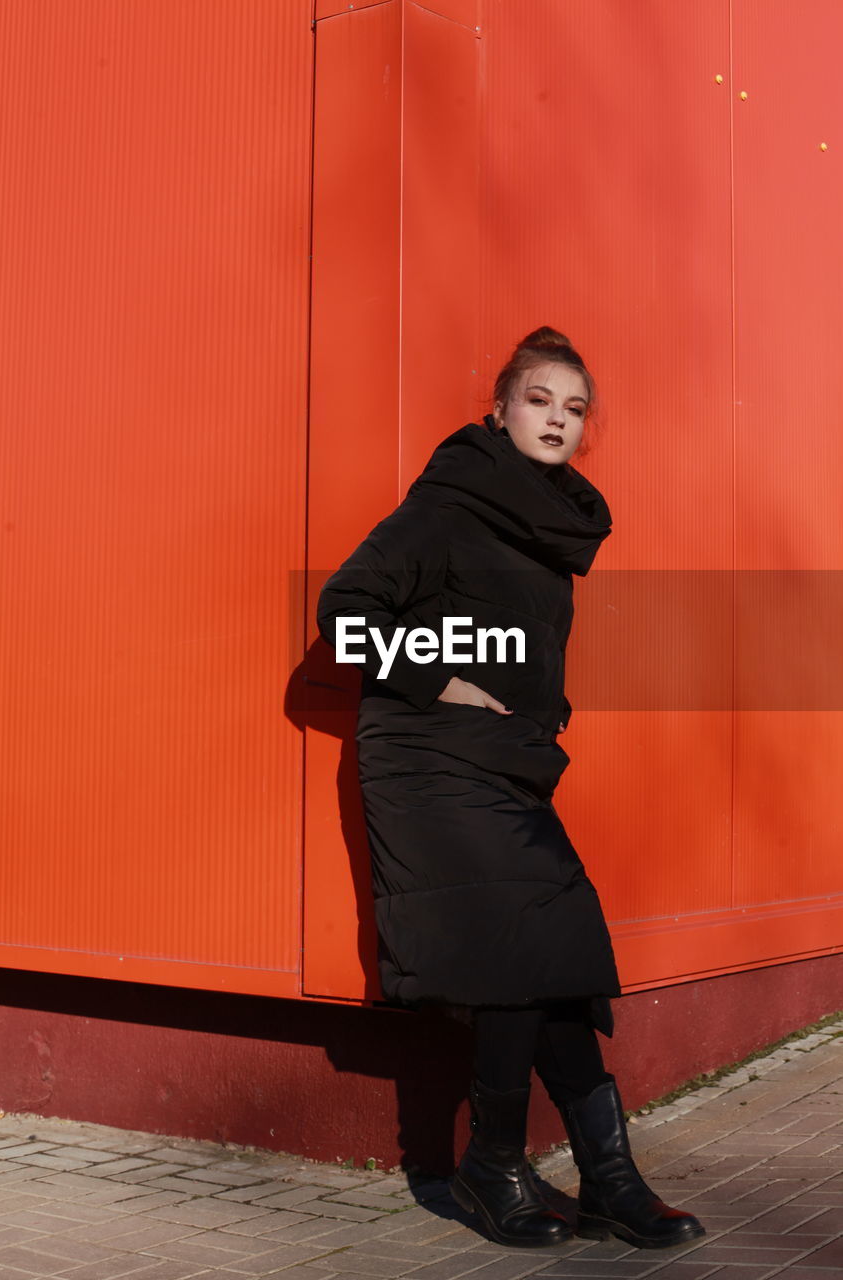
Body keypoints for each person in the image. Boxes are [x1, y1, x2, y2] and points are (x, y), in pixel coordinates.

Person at [316, 328, 705, 1251]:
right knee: (513, 955)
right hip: (426, 759)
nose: (558, 420)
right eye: (540, 400)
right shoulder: (446, 507)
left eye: (574, 409)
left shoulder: (546, 526)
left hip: (504, 767)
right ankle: (490, 1168)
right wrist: (443, 675)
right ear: (499, 410)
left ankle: (606, 1181)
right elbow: (343, 611)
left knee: (557, 960)